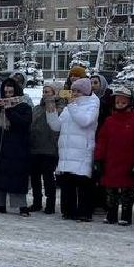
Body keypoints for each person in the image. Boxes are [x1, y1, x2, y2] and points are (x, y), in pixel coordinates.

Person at [92, 85, 134, 226]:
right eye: (118, 102)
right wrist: (99, 159)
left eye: (123, 102)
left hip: (128, 162)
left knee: (127, 191)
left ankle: (126, 215)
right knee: (111, 190)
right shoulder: (109, 121)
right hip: (111, 162)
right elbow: (102, 141)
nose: (120, 105)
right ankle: (111, 214)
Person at [46, 76, 100, 222]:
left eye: (78, 91)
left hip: (82, 151)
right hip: (66, 152)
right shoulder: (69, 107)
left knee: (83, 184)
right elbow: (56, 126)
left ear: (85, 92)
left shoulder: (92, 105)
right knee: (67, 182)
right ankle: (68, 211)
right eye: (73, 90)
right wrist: (51, 111)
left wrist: (71, 106)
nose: (75, 93)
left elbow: (85, 121)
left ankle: (84, 212)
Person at [0, 77, 33, 214]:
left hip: (16, 145)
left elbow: (24, 123)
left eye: (11, 92)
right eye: (6, 92)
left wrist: (9, 110)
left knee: (16, 174)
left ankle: (21, 206)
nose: (8, 95)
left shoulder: (24, 106)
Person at [28, 85, 59, 215]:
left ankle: (50, 204)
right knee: (35, 178)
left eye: (48, 92)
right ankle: (37, 202)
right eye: (43, 91)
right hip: (35, 148)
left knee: (48, 178)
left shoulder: (59, 108)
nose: (45, 94)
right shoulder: (36, 108)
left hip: (50, 149)